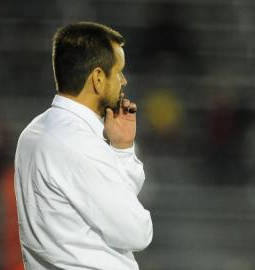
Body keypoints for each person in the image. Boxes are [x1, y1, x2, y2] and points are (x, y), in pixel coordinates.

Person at [14, 22, 153, 270]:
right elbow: (138, 232)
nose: (123, 80)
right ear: (98, 78)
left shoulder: (33, 131)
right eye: (118, 71)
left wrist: (121, 149)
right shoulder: (80, 145)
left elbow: (113, 204)